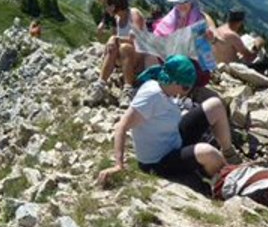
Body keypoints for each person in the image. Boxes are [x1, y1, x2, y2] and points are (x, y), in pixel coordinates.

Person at [97, 55, 241, 187]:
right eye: (185, 87)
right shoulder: (151, 97)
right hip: (158, 161)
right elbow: (121, 126)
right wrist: (118, 165)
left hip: (173, 138)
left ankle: (229, 154)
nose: (187, 91)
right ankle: (224, 182)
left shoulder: (160, 87)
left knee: (215, 105)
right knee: (208, 151)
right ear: (174, 82)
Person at [152, 0, 217, 93]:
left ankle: (181, 90)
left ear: (191, 0)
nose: (182, 5)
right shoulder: (171, 18)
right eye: (178, 2)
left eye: (185, 1)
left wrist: (209, 38)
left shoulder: (199, 19)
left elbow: (206, 45)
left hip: (193, 62)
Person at [88, 0, 147, 106]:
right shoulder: (117, 18)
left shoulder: (134, 14)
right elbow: (117, 41)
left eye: (106, 5)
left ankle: (128, 90)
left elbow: (138, 39)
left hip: (141, 59)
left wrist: (115, 38)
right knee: (114, 45)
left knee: (124, 47)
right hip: (126, 59)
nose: (105, 9)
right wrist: (113, 39)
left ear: (113, 6)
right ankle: (100, 85)